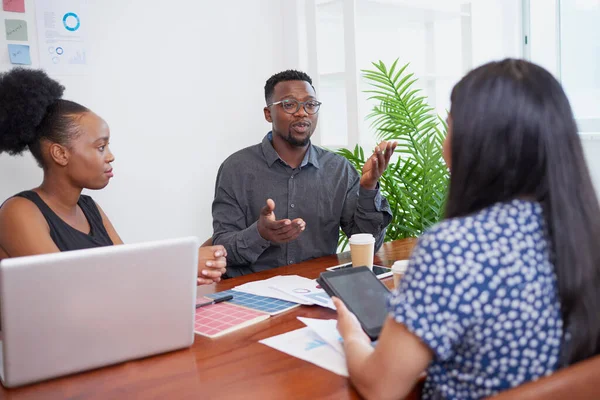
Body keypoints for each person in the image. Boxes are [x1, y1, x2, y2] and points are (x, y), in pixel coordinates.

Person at [333, 58, 600, 400]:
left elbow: (380, 387)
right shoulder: (584, 232)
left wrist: (351, 333)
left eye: (449, 125)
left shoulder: (455, 249)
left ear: (474, 143)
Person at [0, 68, 225, 285]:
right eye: (100, 147)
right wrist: (181, 265)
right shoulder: (19, 212)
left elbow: (127, 270)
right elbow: (66, 287)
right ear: (60, 154)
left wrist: (192, 267)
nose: (110, 156)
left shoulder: (89, 207)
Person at [212, 70, 396, 277]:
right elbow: (220, 250)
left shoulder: (338, 169)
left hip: (316, 289)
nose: (302, 113)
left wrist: (368, 188)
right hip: (249, 293)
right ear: (268, 113)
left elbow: (366, 240)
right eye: (289, 105)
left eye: (310, 105)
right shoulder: (236, 168)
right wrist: (260, 234)